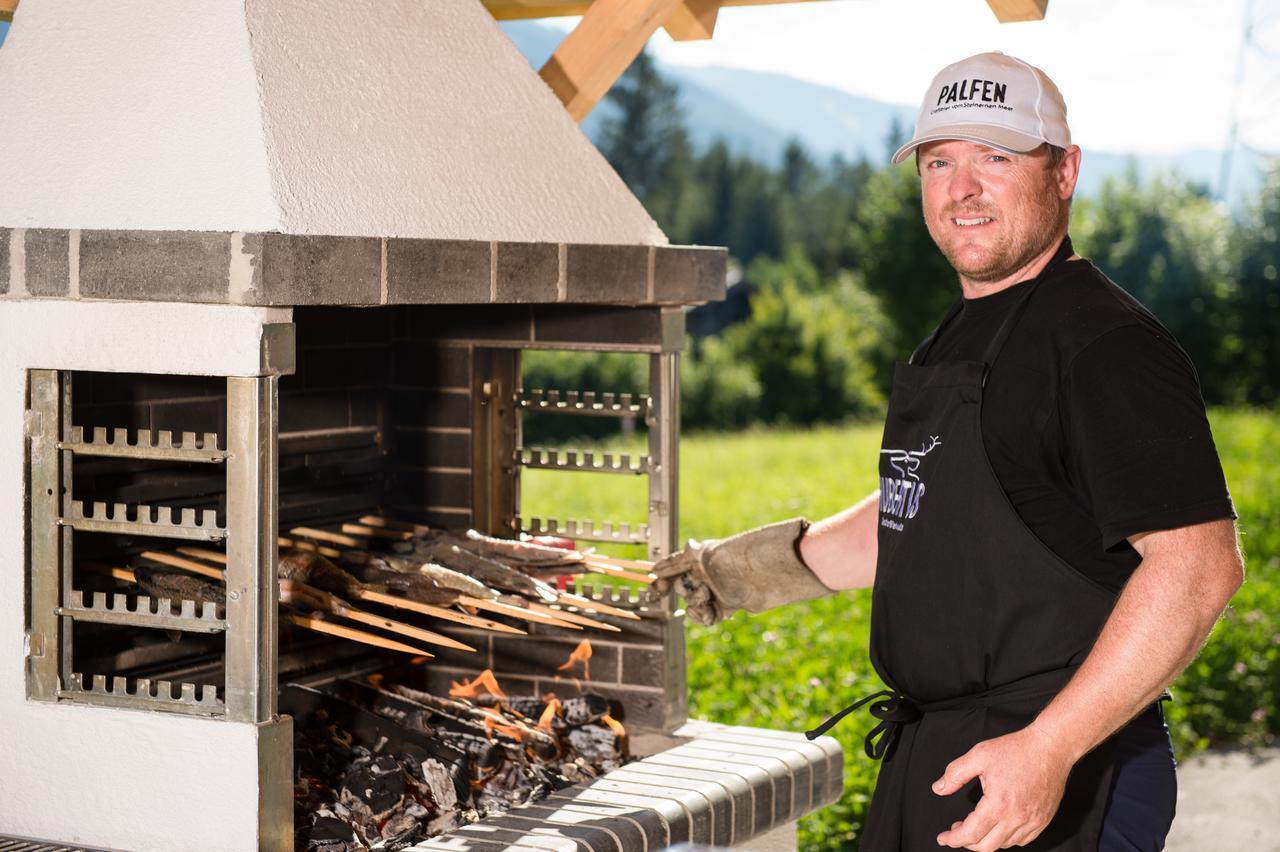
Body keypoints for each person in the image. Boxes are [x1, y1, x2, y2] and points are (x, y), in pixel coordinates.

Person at [653, 52, 1244, 852]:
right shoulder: (959, 331)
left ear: (1064, 171)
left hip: (1056, 767)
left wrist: (1050, 747)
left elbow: (1198, 566)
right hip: (944, 753)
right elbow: (919, 511)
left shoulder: (1106, 345)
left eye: (995, 158)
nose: (962, 189)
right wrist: (731, 573)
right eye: (940, 163)